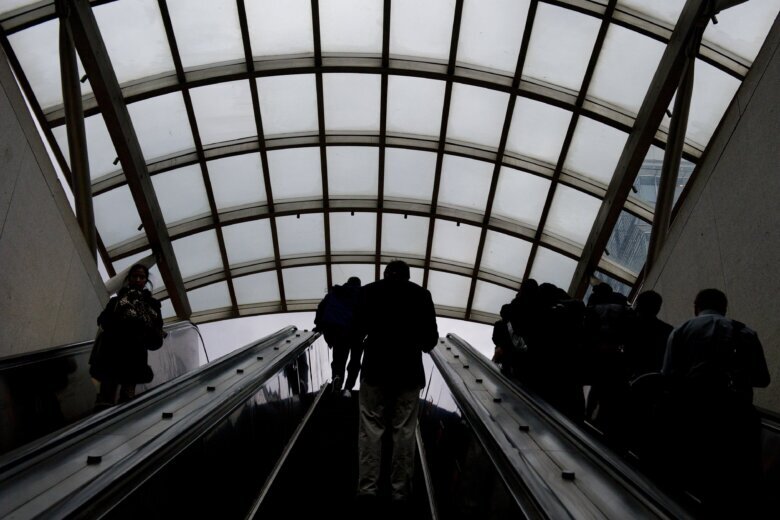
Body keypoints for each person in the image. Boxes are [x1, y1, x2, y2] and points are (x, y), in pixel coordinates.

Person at [662, 288, 770, 516]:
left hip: (692, 417)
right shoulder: (745, 332)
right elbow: (762, 379)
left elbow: (668, 376)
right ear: (725, 307)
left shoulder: (681, 331)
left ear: (695, 306)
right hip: (738, 418)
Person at [353, 260, 438, 513]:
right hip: (409, 371)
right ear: (408, 276)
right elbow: (430, 340)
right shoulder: (421, 295)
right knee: (404, 430)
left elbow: (356, 330)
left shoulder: (369, 291)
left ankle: (367, 489)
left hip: (375, 369)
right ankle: (400, 492)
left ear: (385, 274)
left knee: (371, 428)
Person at [89, 264, 164, 408]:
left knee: (127, 399)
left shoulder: (152, 305)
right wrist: (121, 322)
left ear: (145, 281)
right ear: (129, 279)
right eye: (134, 276)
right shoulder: (116, 301)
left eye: (141, 277)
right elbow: (103, 320)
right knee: (105, 397)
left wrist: (142, 326)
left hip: (134, 357)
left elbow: (157, 331)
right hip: (112, 353)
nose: (137, 279)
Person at [314, 276, 363, 393]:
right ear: (359, 285)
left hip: (338, 332)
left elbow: (321, 308)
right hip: (357, 333)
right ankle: (348, 388)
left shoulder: (334, 293)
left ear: (347, 282)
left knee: (339, 360)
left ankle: (337, 378)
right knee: (355, 361)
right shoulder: (362, 295)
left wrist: (319, 326)